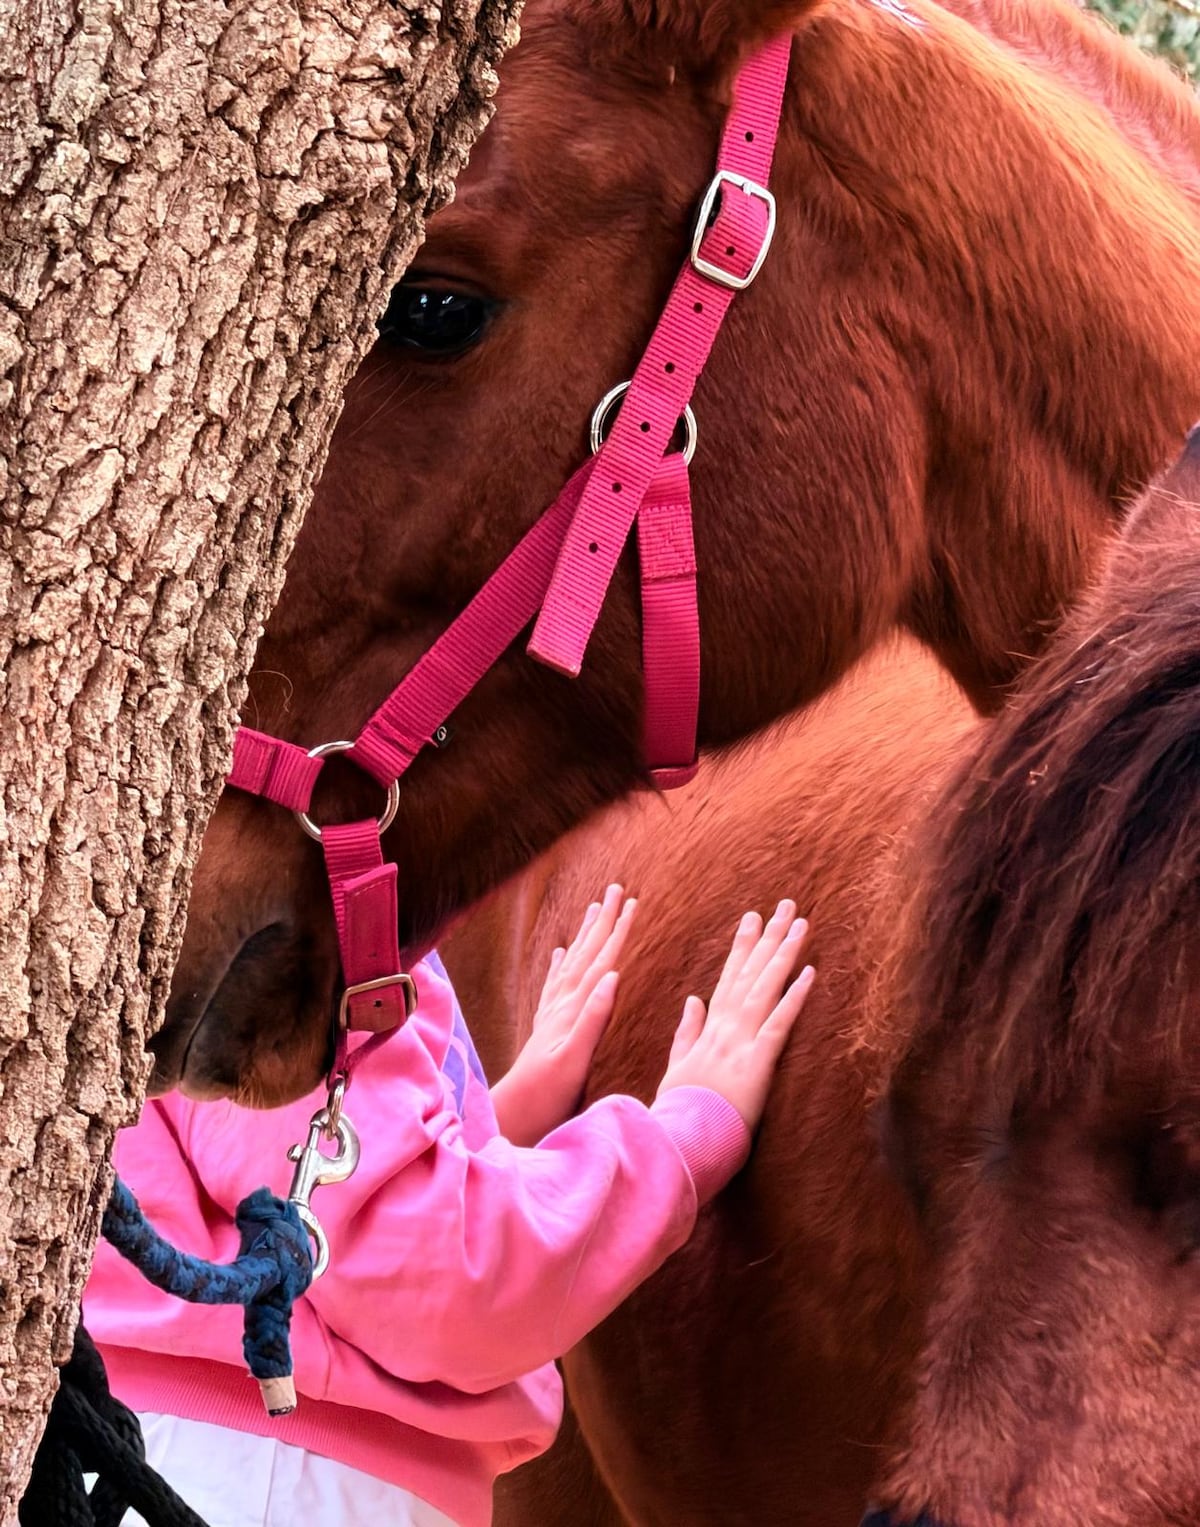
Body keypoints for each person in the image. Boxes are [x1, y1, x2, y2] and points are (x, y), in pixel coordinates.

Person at [83, 885, 814, 1527]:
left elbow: (289, 1197)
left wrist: (494, 1125)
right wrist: (685, 1140)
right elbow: (426, 1281)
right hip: (284, 1475)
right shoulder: (283, 898)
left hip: (213, 1459)